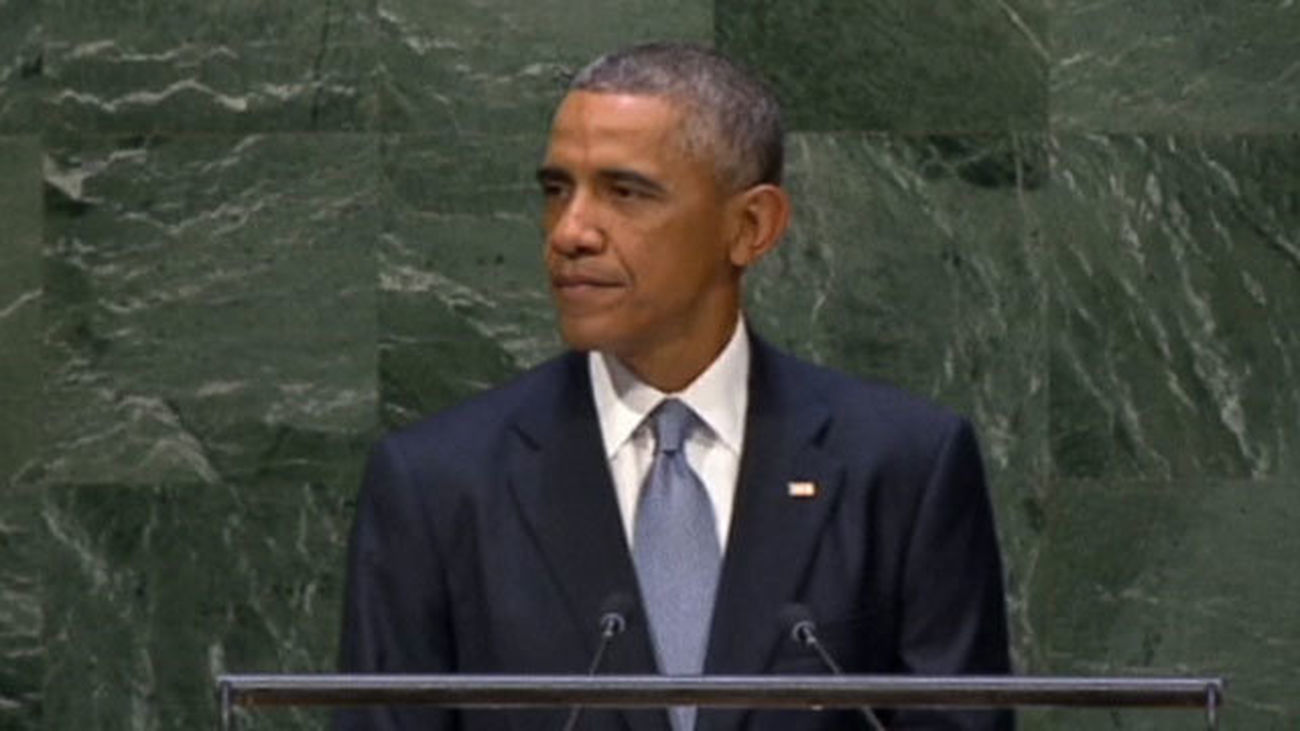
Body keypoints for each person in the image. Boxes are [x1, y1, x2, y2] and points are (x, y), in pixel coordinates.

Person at [336, 42, 1013, 731]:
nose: (570, 232)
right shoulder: (437, 483)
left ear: (751, 227)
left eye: (625, 192)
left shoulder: (901, 467)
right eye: (557, 190)